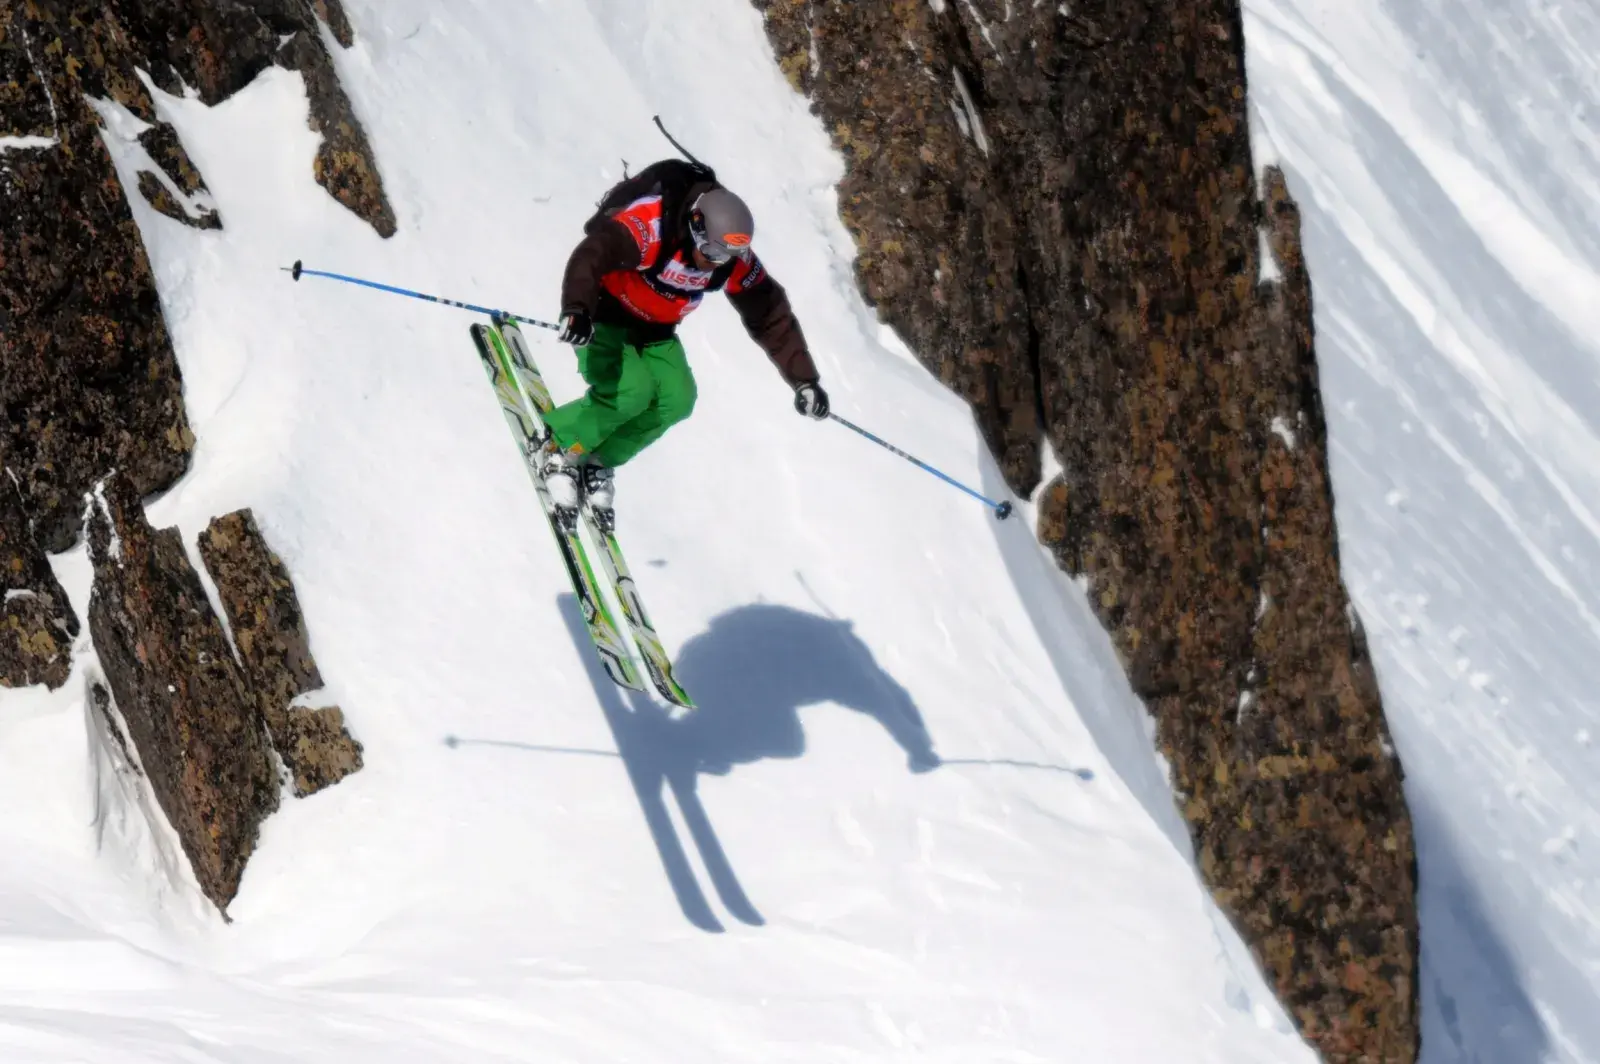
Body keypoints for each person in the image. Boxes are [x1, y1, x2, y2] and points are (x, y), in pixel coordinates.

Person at [539, 159, 830, 527]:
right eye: (711, 252)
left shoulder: (730, 257)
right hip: (604, 315)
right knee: (630, 392)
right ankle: (560, 446)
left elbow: (768, 308)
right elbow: (593, 253)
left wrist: (804, 379)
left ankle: (598, 461)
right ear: (695, 227)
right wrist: (577, 308)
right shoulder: (653, 226)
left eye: (725, 256)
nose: (715, 263)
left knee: (677, 400)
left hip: (656, 331)